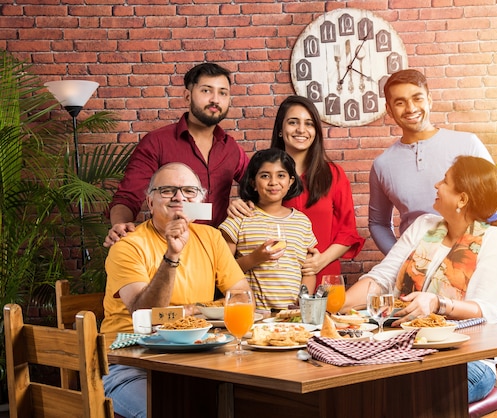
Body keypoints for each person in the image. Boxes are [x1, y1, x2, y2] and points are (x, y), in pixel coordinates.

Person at [344, 156, 497, 404]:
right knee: (352, 387)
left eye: (445, 181)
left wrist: (437, 303)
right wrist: (335, 305)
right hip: (405, 350)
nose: (436, 185)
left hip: (467, 360)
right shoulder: (424, 226)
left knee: (394, 398)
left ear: (462, 199)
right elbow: (381, 279)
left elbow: (487, 311)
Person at [101, 162, 251, 418]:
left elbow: (242, 298)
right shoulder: (127, 246)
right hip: (131, 365)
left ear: (199, 200)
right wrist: (172, 255)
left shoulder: (211, 237)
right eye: (168, 190)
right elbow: (144, 314)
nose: (180, 197)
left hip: (199, 360)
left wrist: (192, 313)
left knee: (257, 403)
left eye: (189, 191)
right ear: (150, 202)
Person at [104, 62, 249, 247]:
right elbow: (128, 197)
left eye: (223, 93)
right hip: (170, 249)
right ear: (187, 96)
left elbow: (259, 187)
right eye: (206, 91)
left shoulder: (231, 148)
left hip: (220, 252)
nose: (215, 99)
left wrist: (243, 205)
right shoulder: (157, 142)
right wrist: (120, 225)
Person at [228, 96, 364, 287]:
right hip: (273, 282)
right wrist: (238, 204)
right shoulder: (266, 176)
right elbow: (251, 216)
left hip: (323, 276)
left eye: (309, 124)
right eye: (293, 122)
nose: (301, 129)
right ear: (281, 130)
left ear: (316, 131)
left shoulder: (333, 175)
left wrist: (320, 261)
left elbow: (347, 232)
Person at [369, 69, 497, 255]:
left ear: (429, 100)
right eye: (400, 102)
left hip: (469, 259)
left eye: (417, 98)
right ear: (389, 110)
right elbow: (378, 223)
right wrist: (401, 260)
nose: (410, 108)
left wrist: (486, 253)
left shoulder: (468, 143)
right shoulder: (382, 165)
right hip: (416, 269)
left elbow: (496, 204)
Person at [220, 149, 317, 312]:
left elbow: (308, 271)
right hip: (252, 313)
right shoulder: (240, 217)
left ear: (291, 181)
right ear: (253, 182)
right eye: (265, 175)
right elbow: (223, 271)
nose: (273, 182)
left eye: (281, 175)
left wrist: (303, 301)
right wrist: (255, 258)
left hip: (290, 313)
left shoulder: (302, 222)